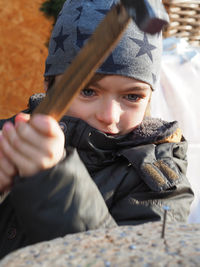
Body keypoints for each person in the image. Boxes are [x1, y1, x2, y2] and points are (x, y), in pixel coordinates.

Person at [0, 0, 194, 260]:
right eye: (88, 91)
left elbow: (129, 261)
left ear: (149, 97)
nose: (109, 116)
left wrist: (53, 181)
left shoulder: (160, 184)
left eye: (132, 96)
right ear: (49, 86)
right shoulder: (9, 138)